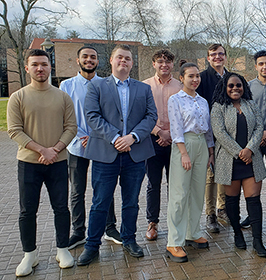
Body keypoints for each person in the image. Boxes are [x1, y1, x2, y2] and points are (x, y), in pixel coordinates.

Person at [77, 45, 157, 265]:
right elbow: (92, 116)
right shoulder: (97, 86)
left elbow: (151, 117)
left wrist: (132, 137)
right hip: (105, 154)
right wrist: (115, 138)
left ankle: (129, 239)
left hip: (135, 154)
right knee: (100, 202)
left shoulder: (143, 89)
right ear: (111, 60)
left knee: (131, 201)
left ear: (132, 63)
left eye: (128, 58)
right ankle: (92, 245)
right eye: (119, 57)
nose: (124, 61)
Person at [7, 49, 77, 276]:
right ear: (27, 68)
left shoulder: (62, 97)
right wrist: (41, 150)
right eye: (35, 64)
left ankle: (62, 249)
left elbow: (71, 128)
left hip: (58, 161)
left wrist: (54, 150)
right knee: (27, 210)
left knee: (61, 207)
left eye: (44, 64)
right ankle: (30, 254)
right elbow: (14, 130)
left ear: (50, 67)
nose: (40, 68)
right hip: (29, 163)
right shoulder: (18, 97)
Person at [60, 46, 122, 249]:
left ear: (98, 61)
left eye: (93, 57)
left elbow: (109, 115)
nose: (89, 60)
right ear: (78, 60)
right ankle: (78, 231)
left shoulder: (106, 84)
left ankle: (110, 228)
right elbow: (64, 117)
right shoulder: (66, 86)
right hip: (76, 146)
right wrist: (81, 136)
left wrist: (96, 136)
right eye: (85, 57)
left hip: (102, 144)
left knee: (104, 188)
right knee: (77, 190)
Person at [211, 72, 266, 257]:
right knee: (232, 202)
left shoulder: (251, 105)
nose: (235, 88)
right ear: (224, 88)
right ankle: (237, 233)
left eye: (239, 85)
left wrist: (250, 149)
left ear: (244, 87)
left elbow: (259, 127)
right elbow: (219, 133)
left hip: (252, 161)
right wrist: (239, 152)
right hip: (230, 162)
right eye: (231, 86)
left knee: (253, 201)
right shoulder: (218, 107)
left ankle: (258, 241)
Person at [165, 61, 215, 263]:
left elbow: (208, 129)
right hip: (183, 145)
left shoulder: (202, 101)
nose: (195, 80)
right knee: (179, 194)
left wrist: (210, 152)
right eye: (190, 76)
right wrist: (183, 153)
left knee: (196, 191)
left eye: (197, 76)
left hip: (202, 144)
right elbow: (176, 128)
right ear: (182, 78)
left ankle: (192, 232)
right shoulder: (175, 99)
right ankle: (173, 241)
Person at [142, 49, 183, 241]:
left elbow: (184, 115)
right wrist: (159, 132)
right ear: (154, 64)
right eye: (160, 61)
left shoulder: (181, 86)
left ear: (173, 65)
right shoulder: (144, 86)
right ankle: (153, 222)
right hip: (153, 140)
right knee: (153, 183)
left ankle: (174, 222)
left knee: (174, 184)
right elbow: (141, 115)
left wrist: (171, 135)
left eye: (168, 62)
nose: (164, 65)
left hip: (176, 141)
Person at [242, 50, 266, 230]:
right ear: (255, 66)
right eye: (261, 64)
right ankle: (253, 216)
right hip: (254, 141)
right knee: (253, 180)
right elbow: (246, 113)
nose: (264, 67)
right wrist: (259, 134)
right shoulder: (248, 88)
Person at [197, 43, 229, 233]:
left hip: (228, 134)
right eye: (213, 54)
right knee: (211, 176)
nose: (217, 57)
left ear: (225, 56)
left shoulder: (231, 77)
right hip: (209, 133)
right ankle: (210, 214)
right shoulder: (202, 78)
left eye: (220, 54)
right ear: (208, 58)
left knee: (225, 173)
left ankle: (222, 209)